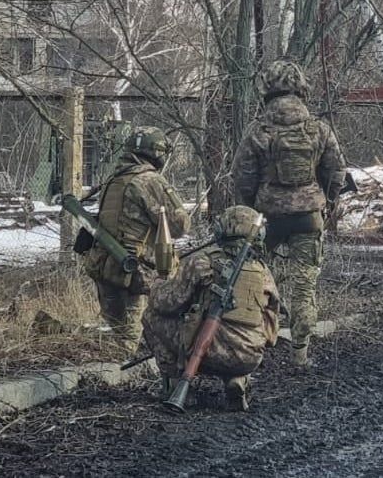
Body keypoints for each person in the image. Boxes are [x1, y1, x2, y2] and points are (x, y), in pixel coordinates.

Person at [231, 60, 346, 368]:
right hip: (309, 216)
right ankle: (300, 354)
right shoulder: (318, 128)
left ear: (266, 90)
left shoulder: (258, 130)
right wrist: (328, 202)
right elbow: (336, 171)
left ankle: (251, 348)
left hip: (266, 219)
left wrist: (248, 208)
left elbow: (242, 175)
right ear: (300, 88)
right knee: (304, 287)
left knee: (251, 282)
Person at [142, 205, 279, 412]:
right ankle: (237, 379)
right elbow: (271, 330)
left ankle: (175, 383)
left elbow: (164, 303)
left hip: (205, 353)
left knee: (150, 317)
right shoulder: (263, 273)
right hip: (249, 357)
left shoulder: (201, 262)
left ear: (220, 231)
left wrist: (159, 282)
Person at [83, 126, 191, 353]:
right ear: (157, 153)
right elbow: (180, 225)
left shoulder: (114, 179)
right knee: (134, 344)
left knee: (119, 335)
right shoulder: (149, 180)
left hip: (106, 266)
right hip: (135, 273)